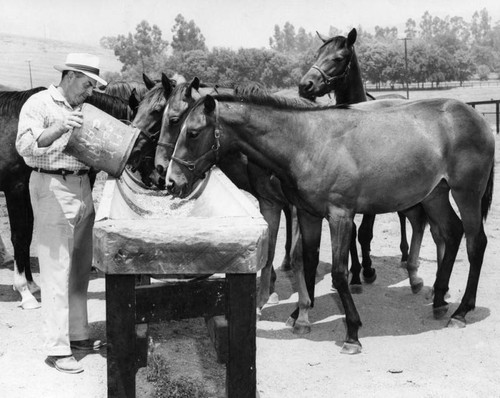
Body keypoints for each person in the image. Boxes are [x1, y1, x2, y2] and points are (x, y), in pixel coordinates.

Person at [16, 53, 107, 374]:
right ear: (70, 76)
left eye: (93, 86)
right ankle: (56, 349)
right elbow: (25, 146)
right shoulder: (39, 103)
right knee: (56, 270)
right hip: (52, 186)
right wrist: (57, 127)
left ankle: (79, 335)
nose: (90, 91)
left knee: (80, 269)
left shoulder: (84, 109)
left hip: (83, 186)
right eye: (87, 84)